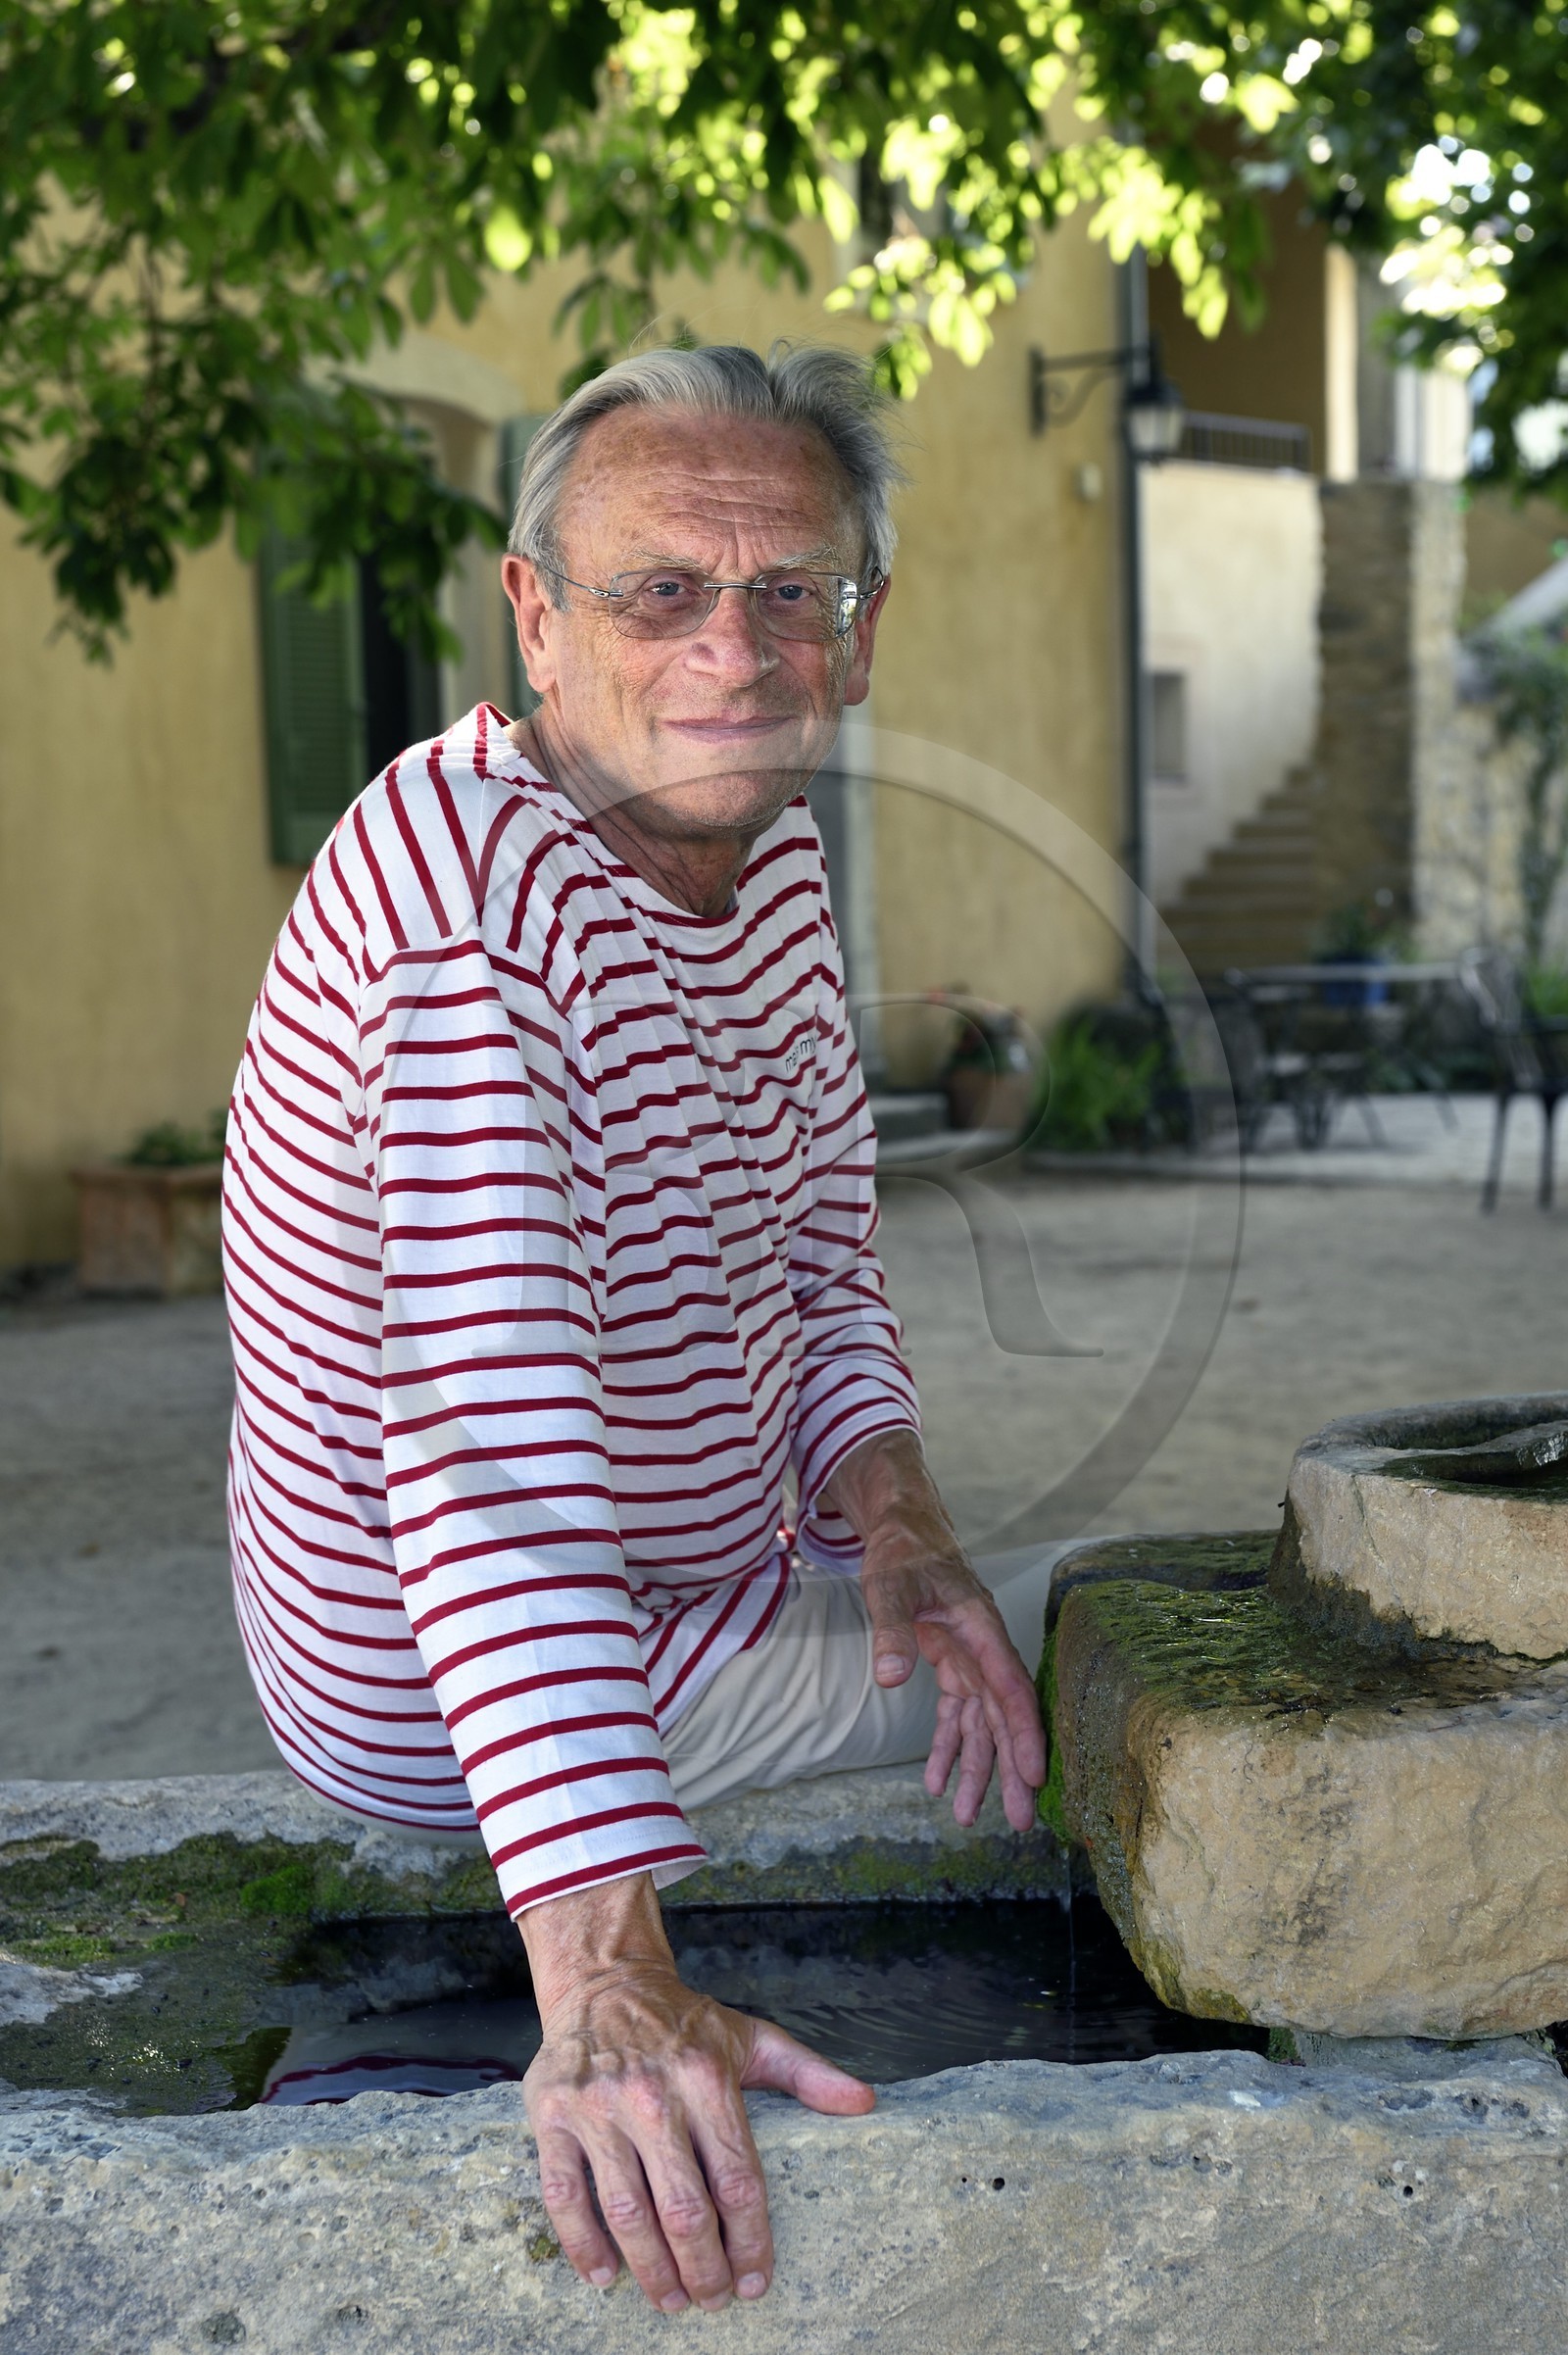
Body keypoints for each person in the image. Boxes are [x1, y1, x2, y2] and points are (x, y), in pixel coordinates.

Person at [221, 343, 1048, 2315]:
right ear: (535, 615)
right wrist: (599, 1977)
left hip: (701, 1574)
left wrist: (897, 1521)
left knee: (984, 1608)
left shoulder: (760, 856)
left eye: (790, 593)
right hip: (447, 1681)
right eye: (658, 588)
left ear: (858, 633)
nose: (734, 653)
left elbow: (821, 1256)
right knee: (1098, 1645)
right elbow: (484, 1463)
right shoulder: (460, 922)